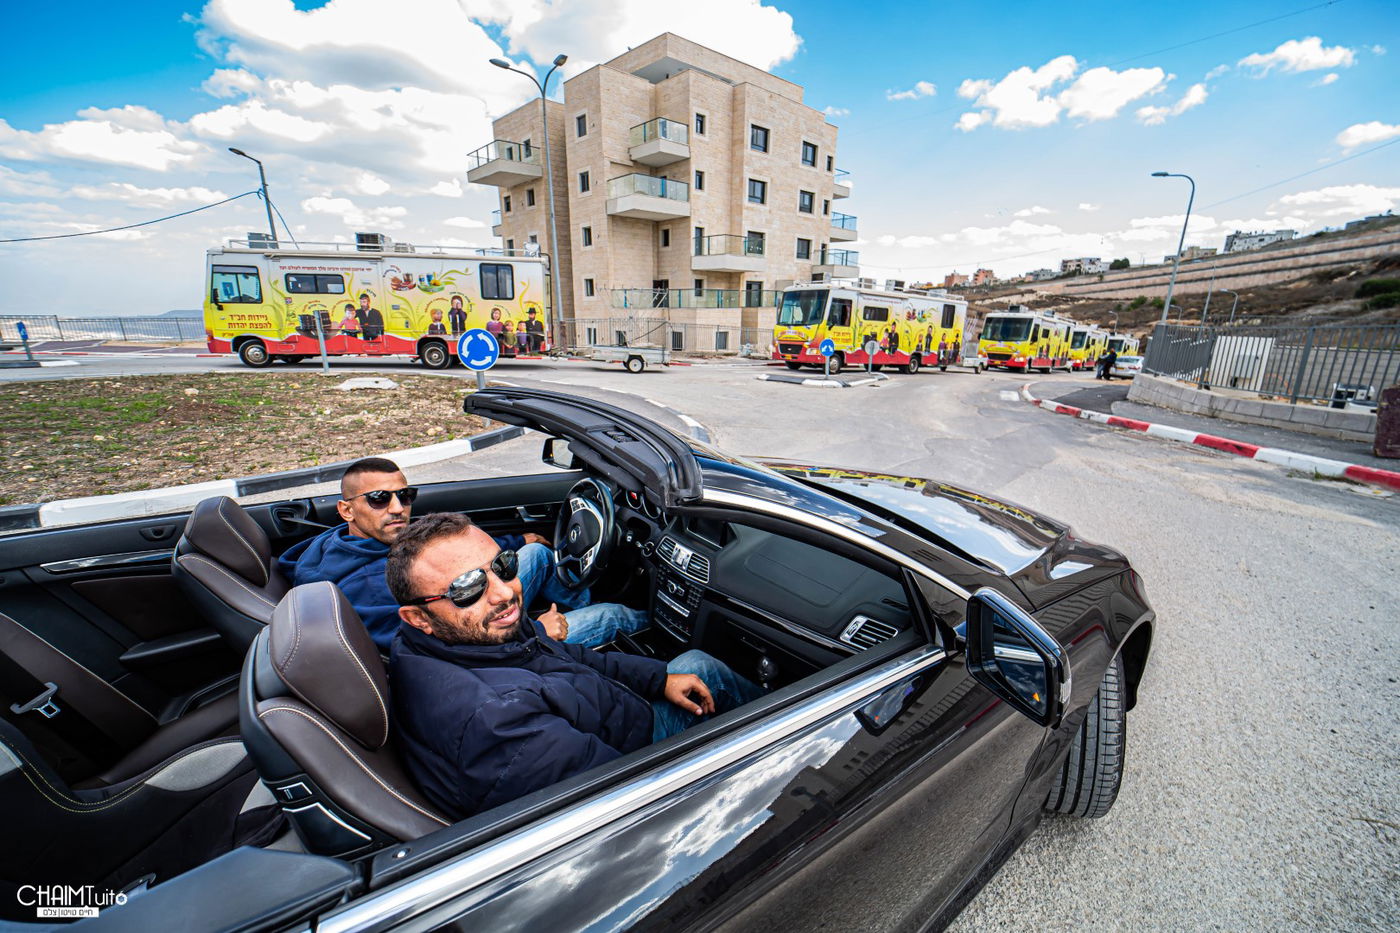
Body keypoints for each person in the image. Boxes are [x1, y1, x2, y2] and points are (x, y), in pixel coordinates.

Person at [386, 512, 764, 819]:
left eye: (503, 565)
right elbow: (626, 794)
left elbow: (567, 655)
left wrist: (659, 678)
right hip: (633, 753)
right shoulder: (499, 725)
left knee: (684, 668)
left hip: (604, 719)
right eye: (465, 588)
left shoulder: (460, 637)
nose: (504, 593)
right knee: (704, 668)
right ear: (417, 616)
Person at [277, 457, 647, 652]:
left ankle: (578, 603)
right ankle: (644, 628)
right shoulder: (372, 585)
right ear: (346, 510)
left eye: (405, 496)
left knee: (534, 552)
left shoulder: (338, 544)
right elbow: (440, 645)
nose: (397, 508)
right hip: (483, 644)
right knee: (613, 615)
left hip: (464, 606)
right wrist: (537, 632)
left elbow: (450, 560)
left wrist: (518, 540)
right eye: (378, 499)